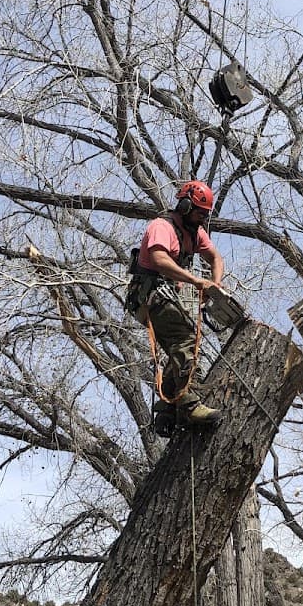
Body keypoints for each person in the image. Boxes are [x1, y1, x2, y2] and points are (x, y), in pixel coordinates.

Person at [131, 180, 225, 425]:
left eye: (205, 214)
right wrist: (196, 280)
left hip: (165, 297)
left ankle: (167, 410)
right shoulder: (162, 227)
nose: (201, 218)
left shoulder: (195, 234)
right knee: (185, 339)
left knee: (182, 343)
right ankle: (190, 405)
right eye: (198, 212)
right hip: (148, 296)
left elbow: (215, 257)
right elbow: (160, 259)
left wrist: (214, 285)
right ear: (184, 206)